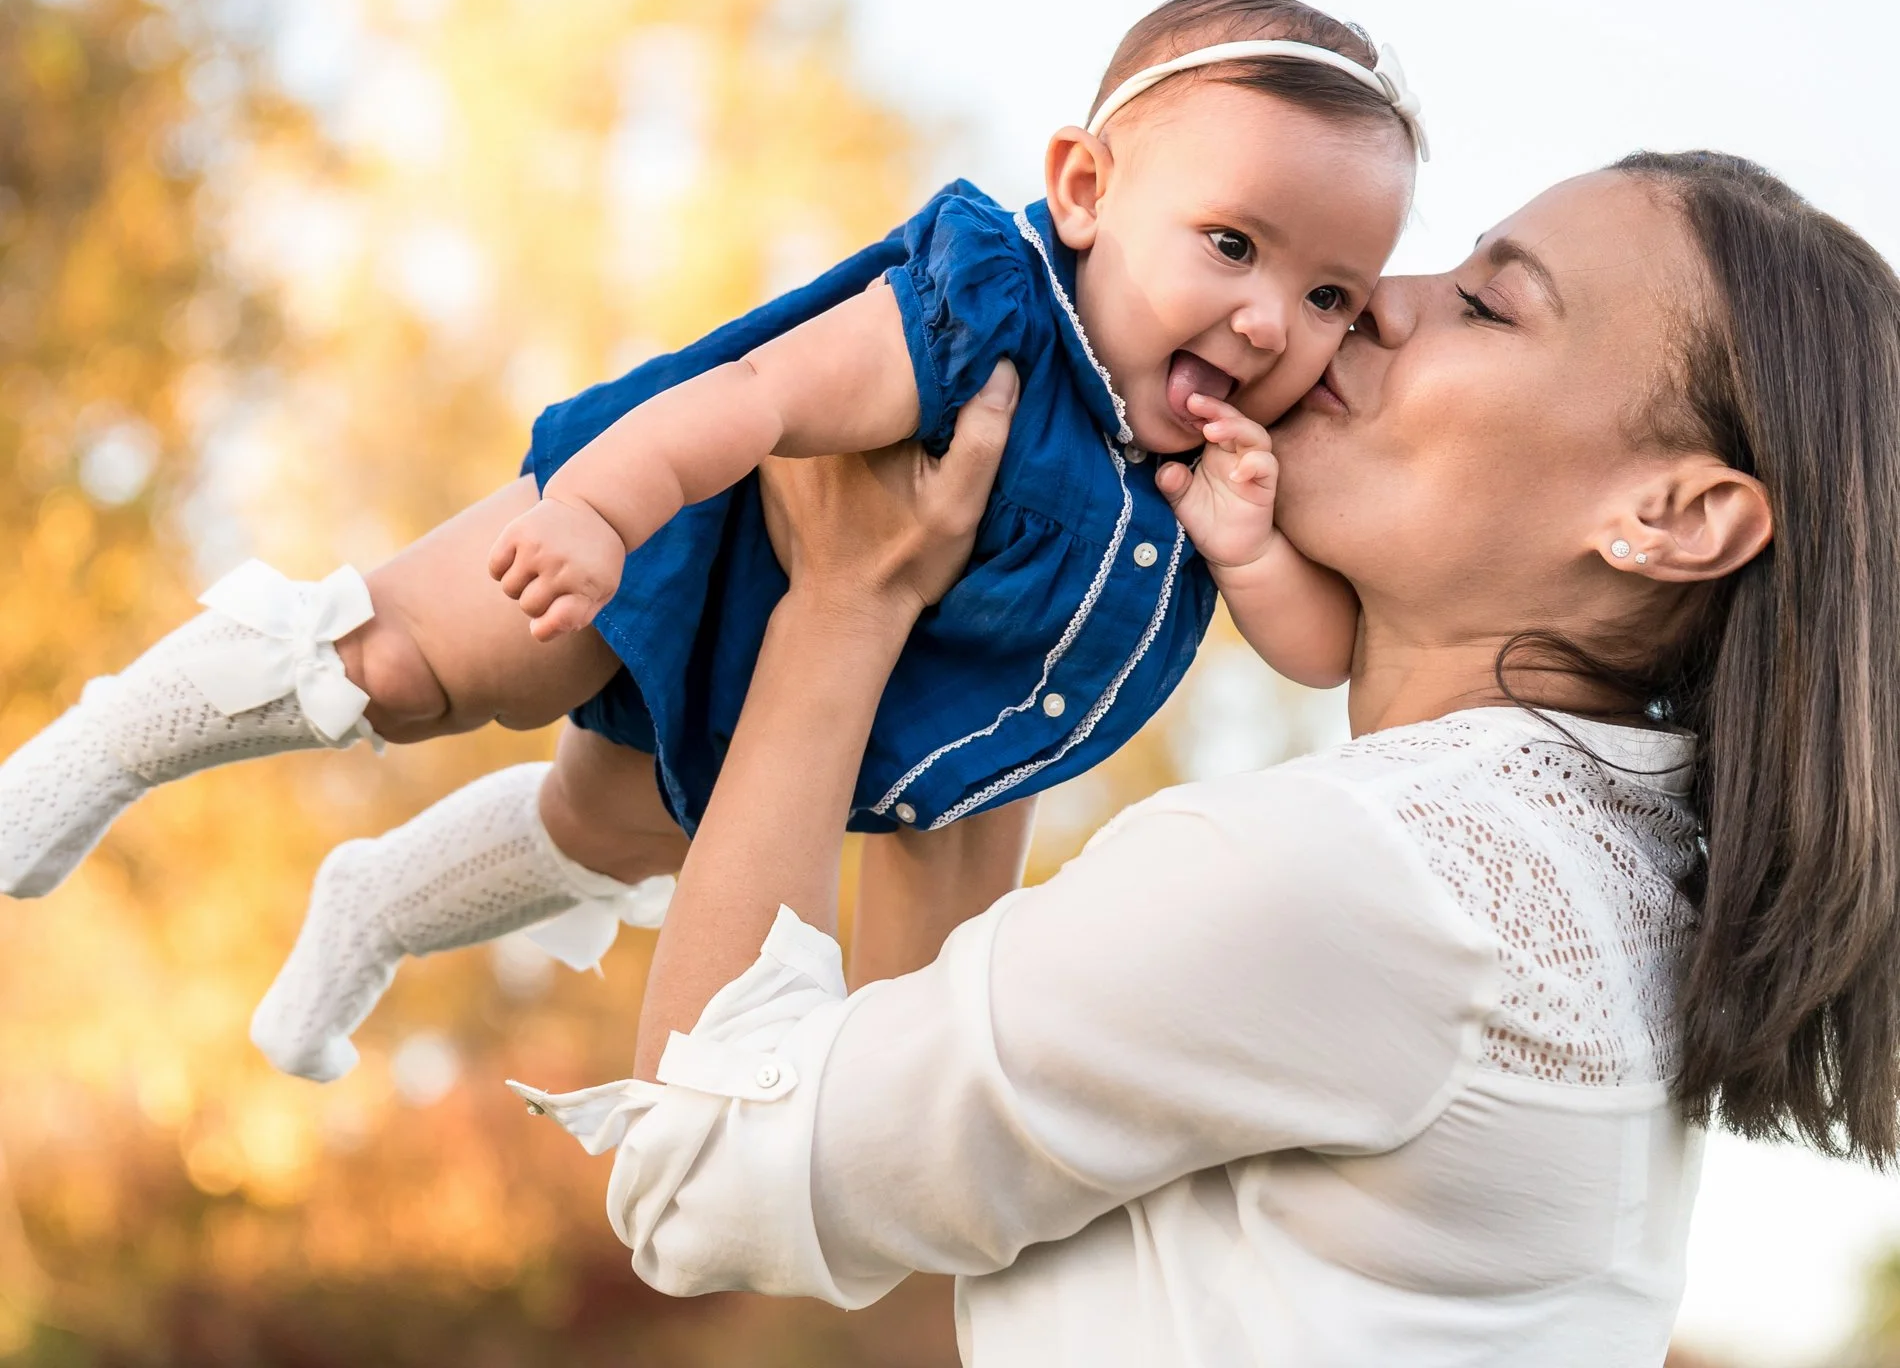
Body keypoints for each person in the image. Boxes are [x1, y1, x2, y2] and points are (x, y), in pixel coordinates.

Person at [510, 150, 1900, 1366]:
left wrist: (842, 604)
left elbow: (696, 1175)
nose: (1380, 301)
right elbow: (912, 1102)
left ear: (1675, 516)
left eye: (1486, 304)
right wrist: (1008, 612)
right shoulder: (1596, 887)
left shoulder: (1362, 875)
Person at [0, 0, 1421, 1082]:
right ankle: (109, 741)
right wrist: (603, 518)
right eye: (1233, 245)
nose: (1267, 322)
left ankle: (374, 909)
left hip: (820, 738)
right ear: (1089, 189)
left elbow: (1315, 656)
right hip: (673, 547)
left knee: (602, 829)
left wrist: (1247, 550)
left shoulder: (1221, 470)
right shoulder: (988, 317)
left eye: (1331, 298)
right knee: (412, 666)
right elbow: (756, 392)